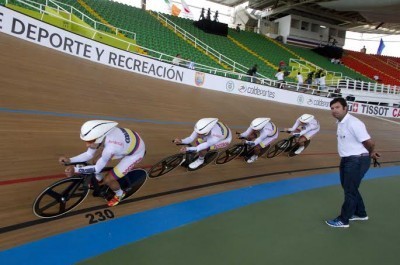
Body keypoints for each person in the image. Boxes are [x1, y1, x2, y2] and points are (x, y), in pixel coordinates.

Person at [59, 120, 146, 207]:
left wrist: (76, 169)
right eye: (86, 141)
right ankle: (98, 178)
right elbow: (88, 154)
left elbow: (97, 168)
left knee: (108, 180)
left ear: (99, 138)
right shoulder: (100, 136)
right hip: (126, 144)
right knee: (95, 161)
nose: (87, 145)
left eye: (90, 141)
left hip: (134, 154)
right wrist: (69, 160)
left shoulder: (110, 148)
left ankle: (120, 194)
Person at [326, 98, 380, 228]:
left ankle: (343, 220)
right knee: (350, 188)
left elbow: (369, 142)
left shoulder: (354, 123)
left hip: (357, 160)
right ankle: (361, 213)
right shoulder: (341, 123)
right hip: (348, 159)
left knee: (349, 190)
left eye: (337, 107)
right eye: (332, 108)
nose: (334, 110)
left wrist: (372, 152)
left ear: (345, 108)